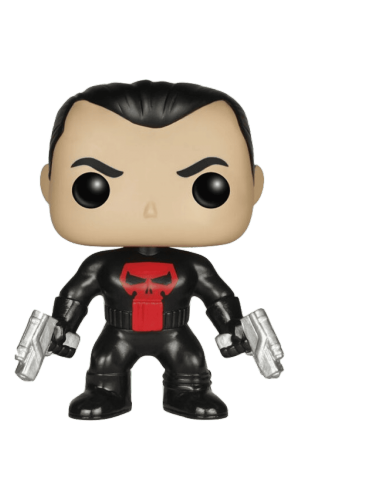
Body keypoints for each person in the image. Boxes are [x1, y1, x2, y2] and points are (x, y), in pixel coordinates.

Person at [38, 80, 265, 420]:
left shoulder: (195, 267)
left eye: (208, 187)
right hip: (119, 333)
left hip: (175, 333)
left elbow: (218, 298)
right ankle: (106, 391)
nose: (150, 210)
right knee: (105, 363)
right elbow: (76, 297)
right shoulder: (100, 266)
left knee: (189, 362)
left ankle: (187, 392)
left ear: (254, 186)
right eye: (93, 186)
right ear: (48, 185)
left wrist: (232, 326)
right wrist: (61, 327)